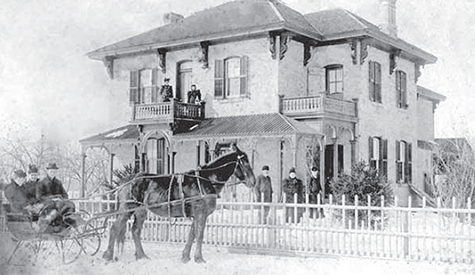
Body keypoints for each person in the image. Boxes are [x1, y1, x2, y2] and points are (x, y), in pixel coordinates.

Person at [36, 163, 77, 230]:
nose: (53, 173)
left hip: (59, 202)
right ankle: (55, 224)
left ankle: (68, 223)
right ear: (47, 171)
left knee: (70, 204)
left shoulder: (58, 182)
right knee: (58, 205)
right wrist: (52, 199)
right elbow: (39, 196)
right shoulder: (42, 182)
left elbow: (64, 194)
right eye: (51, 171)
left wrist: (64, 199)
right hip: (46, 203)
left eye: (54, 171)